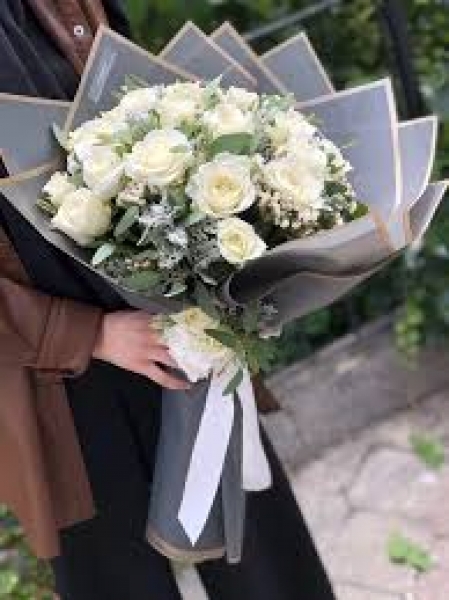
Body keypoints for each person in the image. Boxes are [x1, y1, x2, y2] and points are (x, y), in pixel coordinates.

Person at [0, 1, 337, 598]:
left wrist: (221, 242)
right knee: (117, 577)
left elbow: (134, 106)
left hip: (171, 312)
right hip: (52, 377)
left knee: (259, 550)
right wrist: (88, 335)